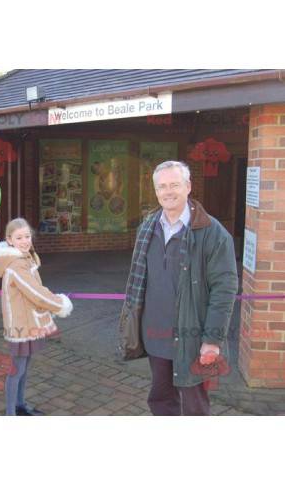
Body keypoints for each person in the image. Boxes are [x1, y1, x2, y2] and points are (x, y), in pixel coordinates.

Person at [118, 161, 238, 416]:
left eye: (174, 184)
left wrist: (212, 340)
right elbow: (139, 282)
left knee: (194, 405)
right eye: (162, 186)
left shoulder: (213, 234)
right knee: (161, 400)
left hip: (193, 336)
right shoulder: (146, 229)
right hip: (155, 333)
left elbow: (224, 291)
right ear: (156, 190)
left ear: (188, 187)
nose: (168, 191)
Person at [0, 218, 73, 416]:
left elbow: (36, 290)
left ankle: (20, 405)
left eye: (27, 236)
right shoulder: (16, 265)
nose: (25, 241)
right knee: (16, 370)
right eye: (19, 238)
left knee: (24, 367)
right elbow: (36, 292)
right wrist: (60, 304)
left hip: (30, 323)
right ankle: (11, 413)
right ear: (9, 240)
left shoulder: (26, 259)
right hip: (21, 326)